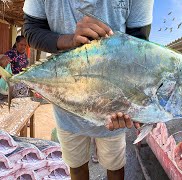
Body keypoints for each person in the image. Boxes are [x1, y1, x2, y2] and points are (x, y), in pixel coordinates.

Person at [23, 1, 153, 180]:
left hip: (115, 105)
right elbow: (30, 30)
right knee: (76, 167)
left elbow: (140, 46)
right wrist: (70, 39)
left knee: (115, 167)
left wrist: (134, 103)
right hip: (67, 108)